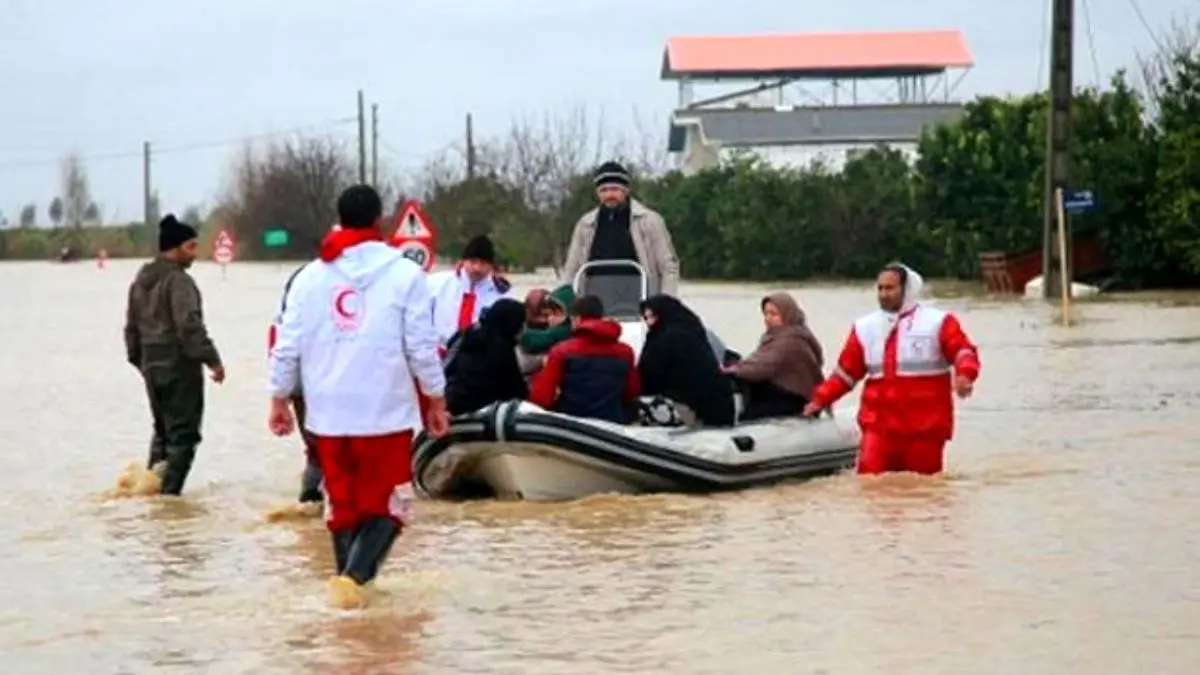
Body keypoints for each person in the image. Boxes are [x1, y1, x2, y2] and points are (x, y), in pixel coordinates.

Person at [267, 184, 449, 609]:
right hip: (383, 413)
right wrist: (436, 398)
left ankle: (347, 613)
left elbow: (286, 343)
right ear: (379, 222)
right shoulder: (405, 274)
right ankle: (352, 585)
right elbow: (422, 347)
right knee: (390, 507)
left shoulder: (310, 277)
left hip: (327, 415)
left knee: (342, 508)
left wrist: (278, 397)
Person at [802, 263, 980, 475]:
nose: (884, 294)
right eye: (880, 288)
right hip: (878, 427)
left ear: (906, 290)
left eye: (890, 288)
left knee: (922, 492)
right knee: (870, 485)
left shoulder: (938, 322)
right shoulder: (865, 327)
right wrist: (819, 400)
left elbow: (963, 350)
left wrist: (965, 375)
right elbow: (845, 374)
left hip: (925, 429)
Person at [123, 214, 225, 496]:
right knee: (183, 437)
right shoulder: (178, 282)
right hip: (179, 368)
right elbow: (189, 326)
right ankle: (168, 497)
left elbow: (131, 330)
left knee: (163, 433)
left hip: (151, 368)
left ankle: (150, 493)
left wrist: (142, 364)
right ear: (176, 248)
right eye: (191, 246)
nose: (195, 253)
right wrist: (212, 360)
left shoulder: (140, 281)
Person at [560, 161, 680, 312]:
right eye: (603, 190)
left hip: (639, 297)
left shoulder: (650, 221)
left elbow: (668, 266)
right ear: (597, 193)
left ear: (626, 190)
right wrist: (564, 303)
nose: (609, 195)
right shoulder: (585, 224)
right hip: (596, 300)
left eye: (615, 189)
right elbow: (571, 268)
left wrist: (666, 304)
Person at [528, 295, 640, 424]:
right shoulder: (625, 352)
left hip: (572, 424)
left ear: (576, 319)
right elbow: (632, 391)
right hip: (612, 422)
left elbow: (542, 397)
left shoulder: (561, 351)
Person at [267, 260, 322, 505]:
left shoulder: (287, 320)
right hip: (327, 388)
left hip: (304, 390)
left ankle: (310, 508)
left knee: (317, 453)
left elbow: (280, 354)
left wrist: (281, 399)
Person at [637, 295, 735, 427]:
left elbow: (649, 375)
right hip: (720, 406)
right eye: (646, 318)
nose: (649, 323)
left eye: (653, 317)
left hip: (692, 407)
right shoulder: (694, 331)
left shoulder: (666, 338)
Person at [726, 292, 825, 421]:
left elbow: (765, 367)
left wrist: (735, 370)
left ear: (787, 315)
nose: (767, 318)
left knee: (748, 416)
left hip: (794, 399)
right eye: (766, 314)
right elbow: (759, 361)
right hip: (777, 394)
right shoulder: (773, 338)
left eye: (773, 314)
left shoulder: (792, 340)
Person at [444, 298, 529, 415]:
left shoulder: (464, 336)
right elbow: (516, 393)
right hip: (481, 417)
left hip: (449, 405)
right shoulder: (502, 351)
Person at [427, 234, 513, 348]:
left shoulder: (502, 294)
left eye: (483, 263)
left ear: (491, 265)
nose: (477, 268)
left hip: (480, 355)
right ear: (464, 261)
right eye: (473, 262)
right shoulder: (436, 283)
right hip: (439, 352)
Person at [518, 283, 576, 374]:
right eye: (548, 314)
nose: (550, 319)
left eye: (555, 313)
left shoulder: (565, 330)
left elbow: (532, 340)